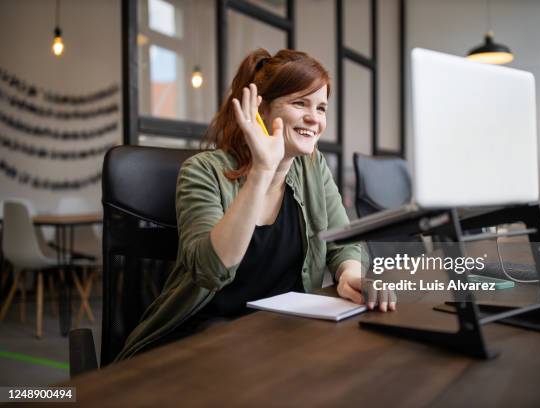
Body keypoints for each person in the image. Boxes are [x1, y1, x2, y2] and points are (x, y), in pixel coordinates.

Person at [115, 48, 395, 361]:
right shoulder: (202, 171)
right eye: (299, 103)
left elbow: (343, 241)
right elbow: (211, 271)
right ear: (259, 110)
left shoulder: (312, 168)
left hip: (281, 337)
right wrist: (262, 170)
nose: (314, 118)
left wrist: (349, 275)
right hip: (202, 341)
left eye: (321, 107)